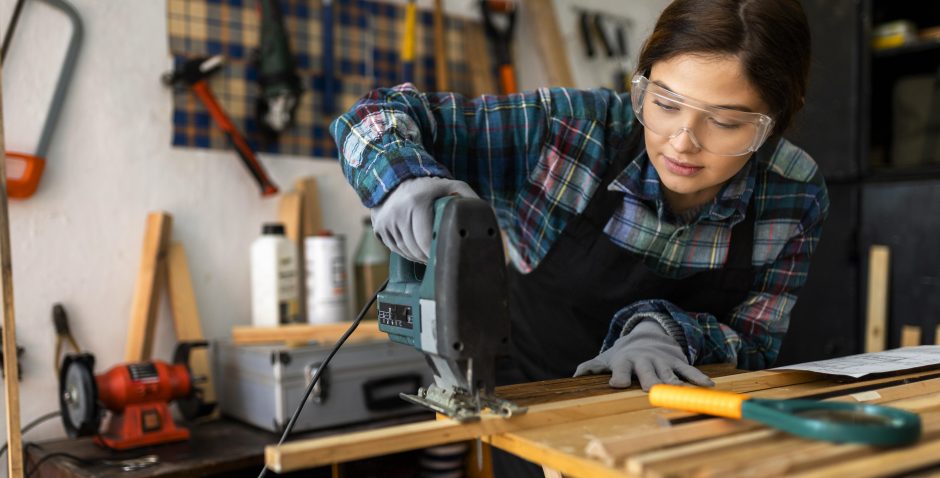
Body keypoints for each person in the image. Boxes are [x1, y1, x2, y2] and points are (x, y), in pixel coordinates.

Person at [332, 0, 826, 394]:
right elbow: (375, 114)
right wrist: (403, 180)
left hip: (677, 424)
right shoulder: (566, 135)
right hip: (532, 402)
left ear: (777, 121)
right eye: (665, 103)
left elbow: (755, 346)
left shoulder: (793, 192)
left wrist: (671, 332)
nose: (682, 142)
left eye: (724, 122)